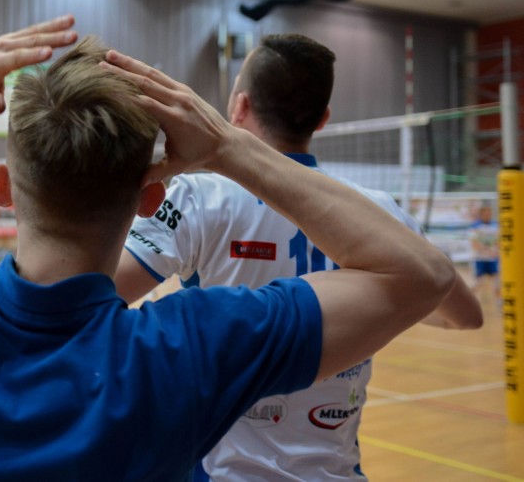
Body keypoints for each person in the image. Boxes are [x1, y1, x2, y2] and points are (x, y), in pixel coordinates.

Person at [0, 17, 458, 480]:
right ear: (150, 198)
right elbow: (422, 276)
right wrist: (227, 147)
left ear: (2, 189)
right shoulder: (188, 351)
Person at [114, 33, 483, 481]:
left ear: (239, 106)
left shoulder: (200, 196)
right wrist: (386, 305)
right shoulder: (379, 216)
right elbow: (466, 316)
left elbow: (100, 293)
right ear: (323, 118)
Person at [470, 202, 500, 303]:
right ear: (481, 214)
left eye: (489, 213)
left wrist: (496, 251)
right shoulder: (475, 226)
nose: (488, 215)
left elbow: (498, 241)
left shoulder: (496, 225)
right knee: (478, 282)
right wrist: (486, 250)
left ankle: (499, 301)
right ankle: (467, 300)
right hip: (480, 258)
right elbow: (474, 243)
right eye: (486, 213)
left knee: (497, 282)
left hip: (493, 258)